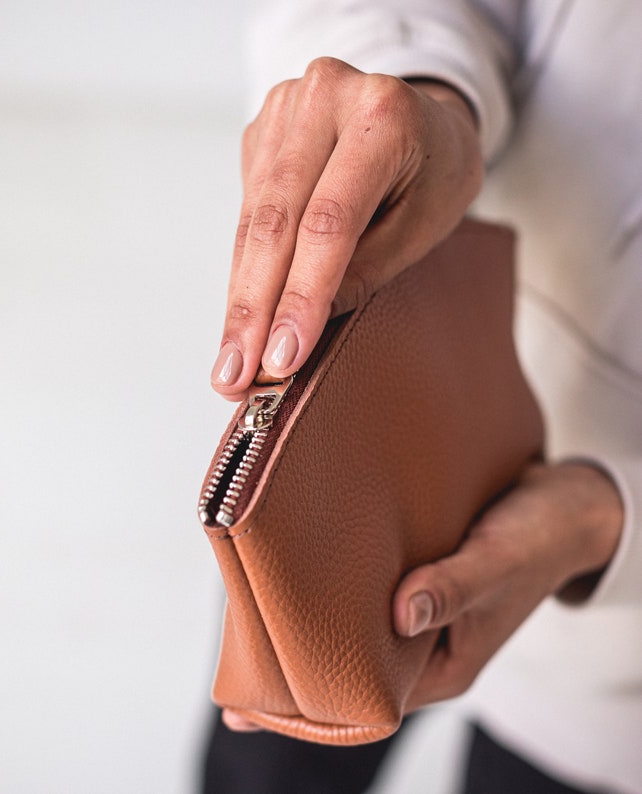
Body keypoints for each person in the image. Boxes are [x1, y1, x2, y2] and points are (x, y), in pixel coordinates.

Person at [202, 2, 642, 793]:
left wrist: (612, 520)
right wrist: (412, 91)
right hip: (357, 461)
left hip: (618, 683)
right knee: (271, 745)